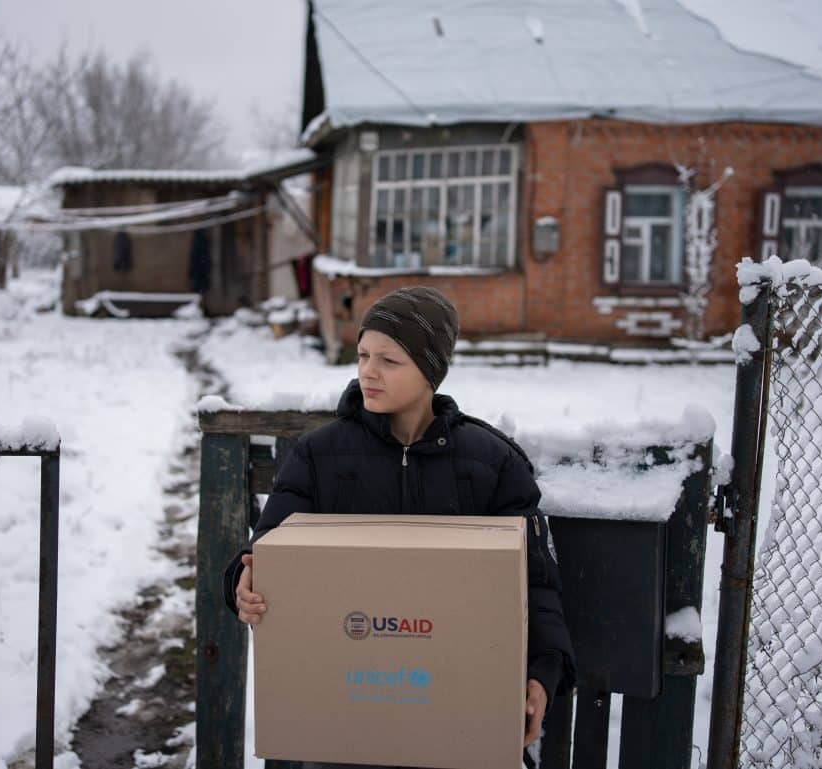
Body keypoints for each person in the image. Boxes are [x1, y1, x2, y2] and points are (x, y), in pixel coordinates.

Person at [222, 285, 576, 769]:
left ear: (430, 368)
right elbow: (268, 548)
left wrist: (542, 671)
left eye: (389, 360)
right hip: (341, 723)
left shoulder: (491, 462)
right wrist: (245, 578)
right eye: (363, 355)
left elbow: (535, 583)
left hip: (457, 713)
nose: (368, 371)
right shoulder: (321, 455)